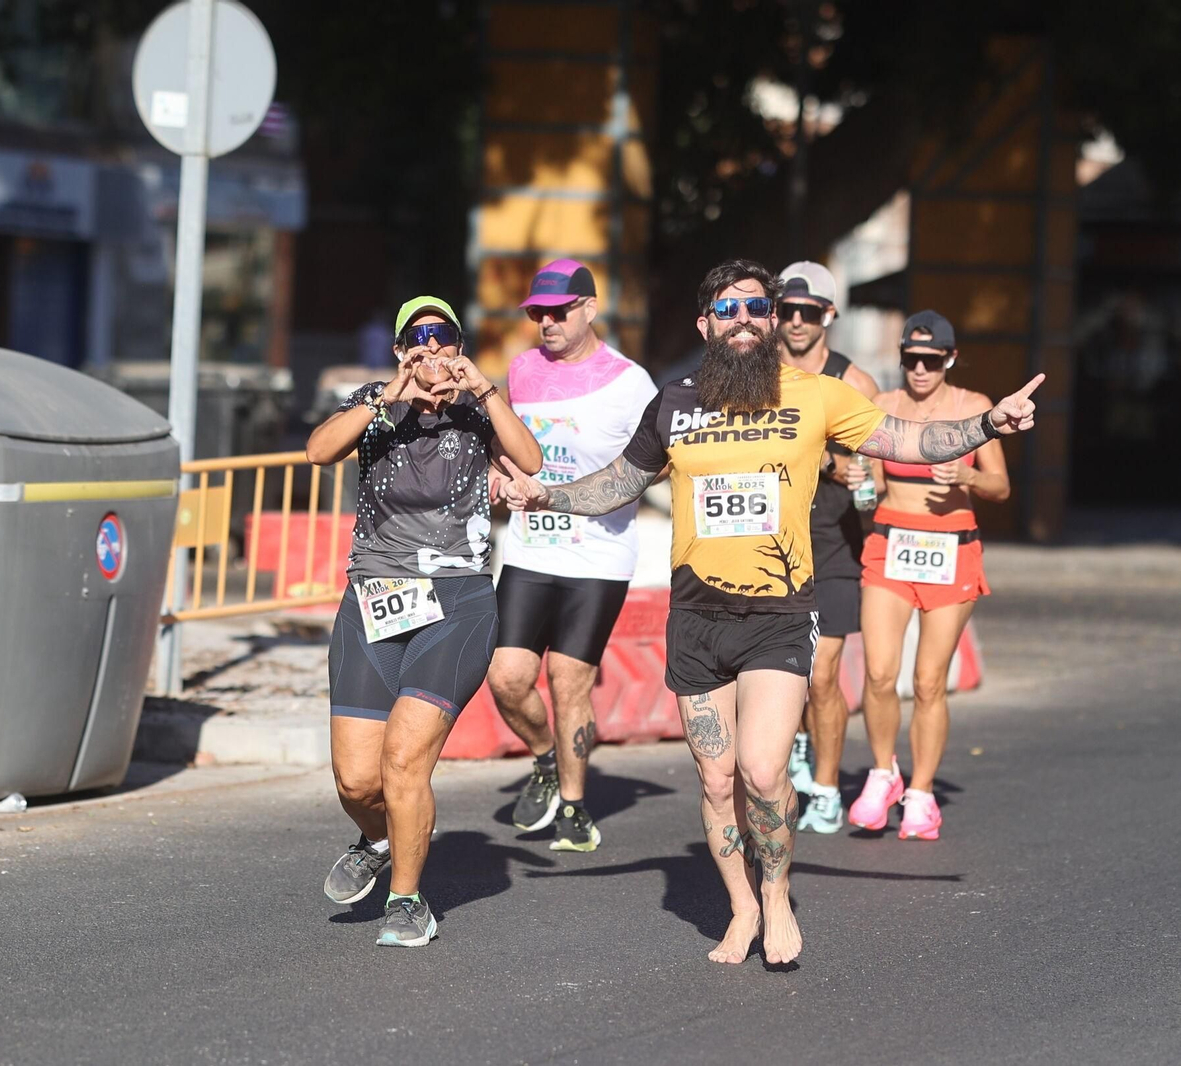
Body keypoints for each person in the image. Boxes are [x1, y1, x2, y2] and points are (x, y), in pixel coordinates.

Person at [498, 260, 1043, 965]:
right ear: (706, 326)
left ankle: (778, 896)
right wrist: (545, 495)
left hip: (779, 614)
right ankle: (742, 907)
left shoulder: (816, 396)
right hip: (696, 616)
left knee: (760, 772)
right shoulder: (674, 403)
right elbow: (616, 484)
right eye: (729, 310)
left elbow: (905, 441)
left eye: (759, 308)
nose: (747, 320)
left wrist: (988, 423)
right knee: (715, 779)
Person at [308, 295, 542, 947]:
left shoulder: (475, 411)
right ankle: (382, 837)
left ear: (461, 347)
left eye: (445, 338)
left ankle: (408, 901)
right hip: (374, 602)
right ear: (400, 348)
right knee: (357, 779)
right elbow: (317, 452)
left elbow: (532, 461)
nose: (432, 350)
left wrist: (488, 392)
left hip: (456, 603)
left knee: (404, 760)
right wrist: (386, 395)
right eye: (419, 337)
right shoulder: (374, 404)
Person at [487, 259, 658, 852]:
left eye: (559, 311)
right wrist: (497, 473)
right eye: (537, 313)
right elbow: (509, 444)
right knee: (506, 678)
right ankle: (543, 759)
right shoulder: (522, 371)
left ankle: (576, 804)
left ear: (589, 308)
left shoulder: (631, 382)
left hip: (598, 556)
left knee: (568, 680)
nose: (546, 322)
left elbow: (658, 462)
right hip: (532, 548)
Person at [845, 311, 1010, 841]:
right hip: (890, 545)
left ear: (949, 359)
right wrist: (856, 479)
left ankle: (921, 792)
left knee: (928, 681)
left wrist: (967, 474)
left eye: (931, 361)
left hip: (951, 549)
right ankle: (881, 773)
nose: (920, 370)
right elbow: (869, 486)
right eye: (911, 360)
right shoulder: (883, 408)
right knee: (877, 672)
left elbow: (1001, 486)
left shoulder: (973, 408)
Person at [773, 262, 879, 835]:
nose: (794, 322)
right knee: (777, 672)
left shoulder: (853, 383)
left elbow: (878, 478)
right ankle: (789, 752)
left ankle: (827, 787)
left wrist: (849, 476)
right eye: (785, 311)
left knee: (821, 675)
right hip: (772, 547)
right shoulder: (758, 376)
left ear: (829, 316)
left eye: (806, 312)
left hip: (834, 546)